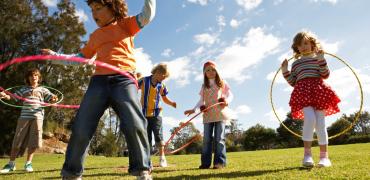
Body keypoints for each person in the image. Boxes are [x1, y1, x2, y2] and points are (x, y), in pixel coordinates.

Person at [41, 0, 156, 179]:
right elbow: (80, 58)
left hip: (123, 79)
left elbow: (146, 16)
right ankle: (71, 173)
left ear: (113, 8)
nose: (94, 14)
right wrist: (54, 56)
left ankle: (142, 169)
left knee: (134, 122)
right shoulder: (95, 35)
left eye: (98, 8)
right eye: (92, 9)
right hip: (99, 82)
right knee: (82, 125)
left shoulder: (126, 24)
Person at [281, 31, 340, 168]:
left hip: (319, 92)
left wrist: (321, 59)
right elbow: (293, 82)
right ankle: (307, 155)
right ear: (297, 48)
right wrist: (285, 70)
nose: (303, 47)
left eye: (306, 43)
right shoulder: (296, 64)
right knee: (310, 119)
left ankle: (324, 157)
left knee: (320, 123)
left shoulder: (317, 58)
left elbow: (325, 75)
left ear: (312, 44)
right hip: (303, 93)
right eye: (299, 45)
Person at [0, 68, 58, 173]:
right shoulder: (23, 89)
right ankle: (11, 164)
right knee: (17, 139)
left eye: (36, 75)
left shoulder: (43, 89)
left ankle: (28, 163)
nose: (34, 77)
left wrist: (54, 99)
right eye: (31, 75)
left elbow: (52, 98)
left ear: (39, 78)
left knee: (33, 141)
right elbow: (12, 97)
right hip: (24, 117)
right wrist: (4, 95)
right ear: (28, 78)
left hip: (37, 117)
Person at [184, 61, 233, 169]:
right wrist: (194, 109)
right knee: (206, 140)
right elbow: (201, 100)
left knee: (219, 139)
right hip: (208, 115)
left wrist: (226, 100)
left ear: (217, 71)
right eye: (208, 70)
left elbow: (230, 95)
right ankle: (205, 163)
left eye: (213, 70)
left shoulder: (222, 82)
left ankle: (219, 163)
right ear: (204, 73)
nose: (211, 72)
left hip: (220, 113)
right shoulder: (204, 86)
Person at [138, 63, 176, 167]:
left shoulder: (162, 85)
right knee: (146, 136)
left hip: (157, 113)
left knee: (158, 134)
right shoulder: (143, 81)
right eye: (163, 76)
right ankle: (147, 159)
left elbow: (164, 98)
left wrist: (172, 103)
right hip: (144, 113)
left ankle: (162, 157)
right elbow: (133, 87)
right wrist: (135, 77)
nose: (164, 79)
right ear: (158, 72)